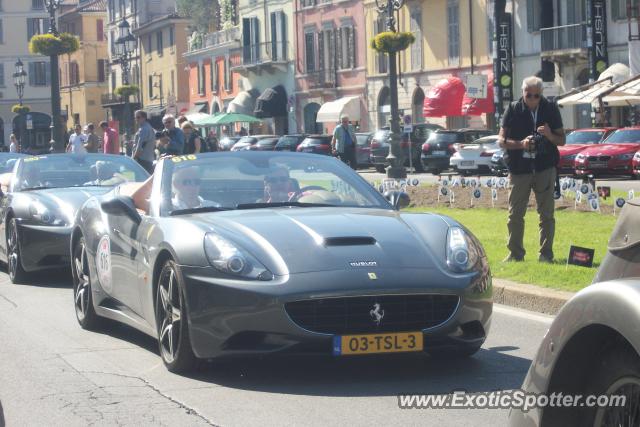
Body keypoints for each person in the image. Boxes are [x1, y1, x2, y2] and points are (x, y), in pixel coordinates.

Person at [498, 76, 565, 263]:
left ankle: (546, 255)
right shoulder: (512, 109)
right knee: (515, 214)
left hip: (545, 168)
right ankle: (515, 254)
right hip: (520, 170)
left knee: (547, 215)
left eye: (537, 95)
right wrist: (521, 144)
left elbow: (562, 140)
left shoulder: (550, 108)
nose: (533, 99)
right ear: (523, 93)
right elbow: (501, 140)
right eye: (529, 95)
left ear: (541, 94)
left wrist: (550, 135)